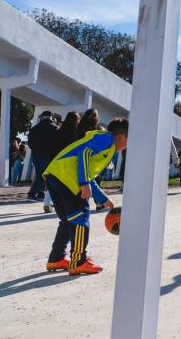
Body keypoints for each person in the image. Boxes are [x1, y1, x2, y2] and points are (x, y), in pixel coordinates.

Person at [42, 117, 129, 275]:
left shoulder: (106, 144)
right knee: (81, 217)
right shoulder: (106, 139)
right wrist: (83, 182)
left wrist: (103, 199)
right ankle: (78, 261)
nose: (127, 145)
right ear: (122, 136)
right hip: (67, 178)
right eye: (129, 140)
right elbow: (85, 153)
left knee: (67, 220)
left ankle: (56, 258)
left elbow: (90, 176)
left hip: (56, 175)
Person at [26, 110, 59, 201]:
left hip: (36, 155)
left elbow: (30, 143)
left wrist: (36, 149)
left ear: (42, 117)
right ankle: (32, 194)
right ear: (51, 117)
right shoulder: (55, 128)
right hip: (49, 155)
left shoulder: (35, 128)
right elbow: (58, 143)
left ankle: (41, 194)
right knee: (42, 175)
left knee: (39, 174)